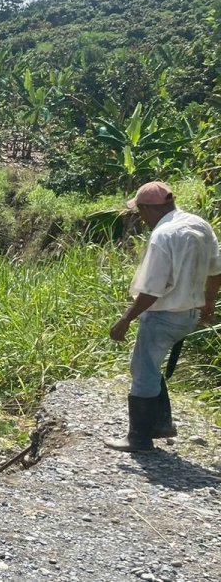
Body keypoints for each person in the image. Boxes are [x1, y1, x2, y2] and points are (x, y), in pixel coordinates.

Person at [106, 181, 221, 452]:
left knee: (143, 370)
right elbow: (216, 270)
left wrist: (125, 319)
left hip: (164, 316)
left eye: (140, 212)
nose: (141, 219)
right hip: (189, 314)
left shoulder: (163, 235)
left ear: (147, 208)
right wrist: (209, 301)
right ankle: (160, 425)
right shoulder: (199, 225)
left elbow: (153, 290)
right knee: (149, 365)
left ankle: (139, 438)